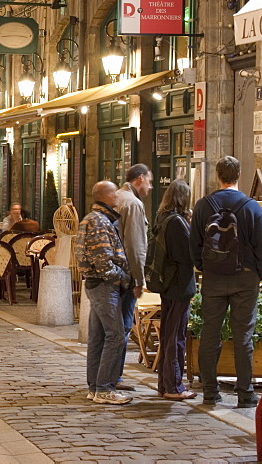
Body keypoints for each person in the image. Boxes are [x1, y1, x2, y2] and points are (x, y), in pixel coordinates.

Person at [190, 155, 262, 408]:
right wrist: (256, 272)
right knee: (243, 334)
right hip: (245, 277)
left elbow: (194, 244)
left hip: (213, 277)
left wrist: (204, 267)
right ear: (239, 174)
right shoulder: (251, 206)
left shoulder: (203, 205)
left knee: (210, 334)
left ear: (217, 175)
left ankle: (210, 392)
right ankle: (245, 393)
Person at [74, 180, 132, 405]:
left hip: (99, 285)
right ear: (106, 196)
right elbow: (102, 260)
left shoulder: (95, 218)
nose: (117, 196)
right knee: (115, 335)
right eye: (114, 192)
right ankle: (105, 389)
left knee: (98, 338)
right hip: (104, 286)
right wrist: (122, 278)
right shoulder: (98, 221)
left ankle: (95, 387)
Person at [153, 179, 197, 400]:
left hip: (167, 284)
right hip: (179, 285)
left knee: (169, 334)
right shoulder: (177, 223)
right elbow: (187, 257)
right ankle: (174, 386)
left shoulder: (162, 218)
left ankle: (164, 384)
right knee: (175, 336)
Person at [116, 163, 154, 391]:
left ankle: (103, 378)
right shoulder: (133, 204)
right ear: (139, 179)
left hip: (111, 273)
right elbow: (136, 246)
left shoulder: (116, 198)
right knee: (122, 327)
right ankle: (114, 377)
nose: (150, 186)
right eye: (149, 181)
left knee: (109, 330)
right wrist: (140, 280)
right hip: (126, 275)